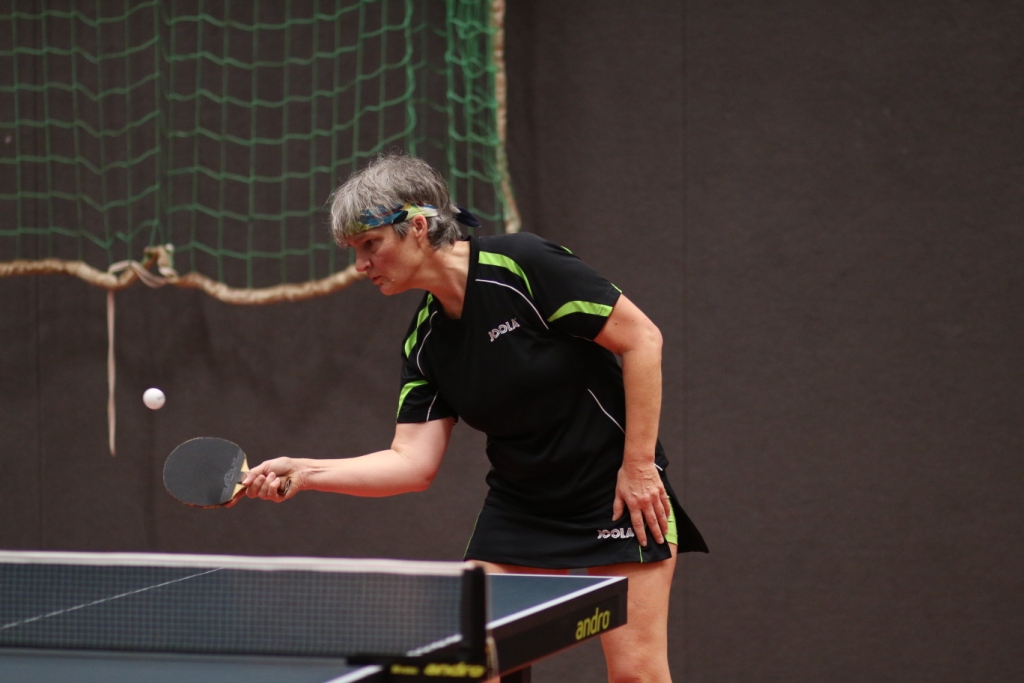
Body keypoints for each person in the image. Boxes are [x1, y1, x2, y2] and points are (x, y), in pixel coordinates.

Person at [241, 153, 707, 682]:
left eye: (370, 244)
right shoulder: (426, 343)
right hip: (523, 507)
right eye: (355, 251)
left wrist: (640, 466)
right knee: (473, 666)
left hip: (615, 492)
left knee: (636, 675)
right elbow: (411, 463)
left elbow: (642, 339)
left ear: (417, 227)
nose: (360, 266)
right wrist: (305, 472)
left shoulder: (522, 265)